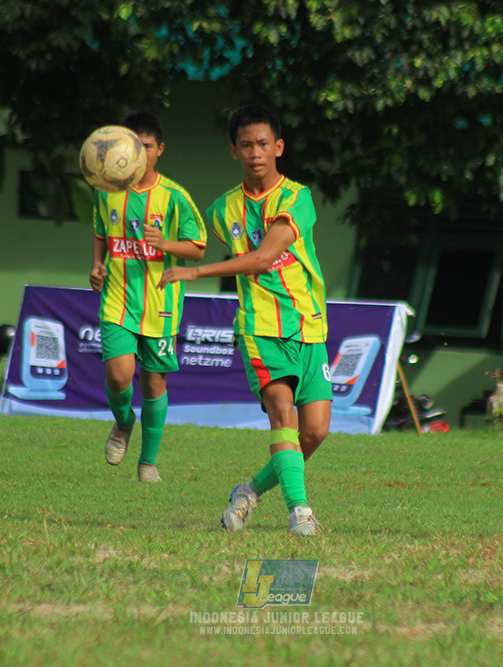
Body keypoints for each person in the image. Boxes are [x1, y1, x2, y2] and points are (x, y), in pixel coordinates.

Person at [158, 105, 331, 537]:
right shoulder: (222, 210)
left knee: (314, 433)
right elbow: (192, 240)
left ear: (279, 148)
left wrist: (196, 273)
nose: (256, 153)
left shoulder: (297, 198)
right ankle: (300, 512)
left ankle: (249, 492)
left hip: (308, 325)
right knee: (282, 413)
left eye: (263, 144)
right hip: (259, 328)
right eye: (246, 145)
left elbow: (265, 256)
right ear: (234, 151)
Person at [89, 110, 207, 483]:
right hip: (118, 299)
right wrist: (97, 265)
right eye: (133, 146)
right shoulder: (107, 189)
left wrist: (166, 244)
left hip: (161, 305)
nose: (140, 153)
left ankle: (148, 461)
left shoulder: (175, 197)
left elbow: (198, 248)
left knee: (154, 382)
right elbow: (100, 233)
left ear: (160, 150)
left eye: (147, 146)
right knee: (119, 376)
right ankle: (124, 421)